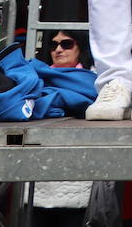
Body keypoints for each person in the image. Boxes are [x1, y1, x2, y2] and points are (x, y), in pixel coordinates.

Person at [30, 32, 93, 227]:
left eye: (66, 44)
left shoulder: (94, 80)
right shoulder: (35, 78)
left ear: (80, 48)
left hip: (77, 171)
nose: (58, 49)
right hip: (39, 170)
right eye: (53, 45)